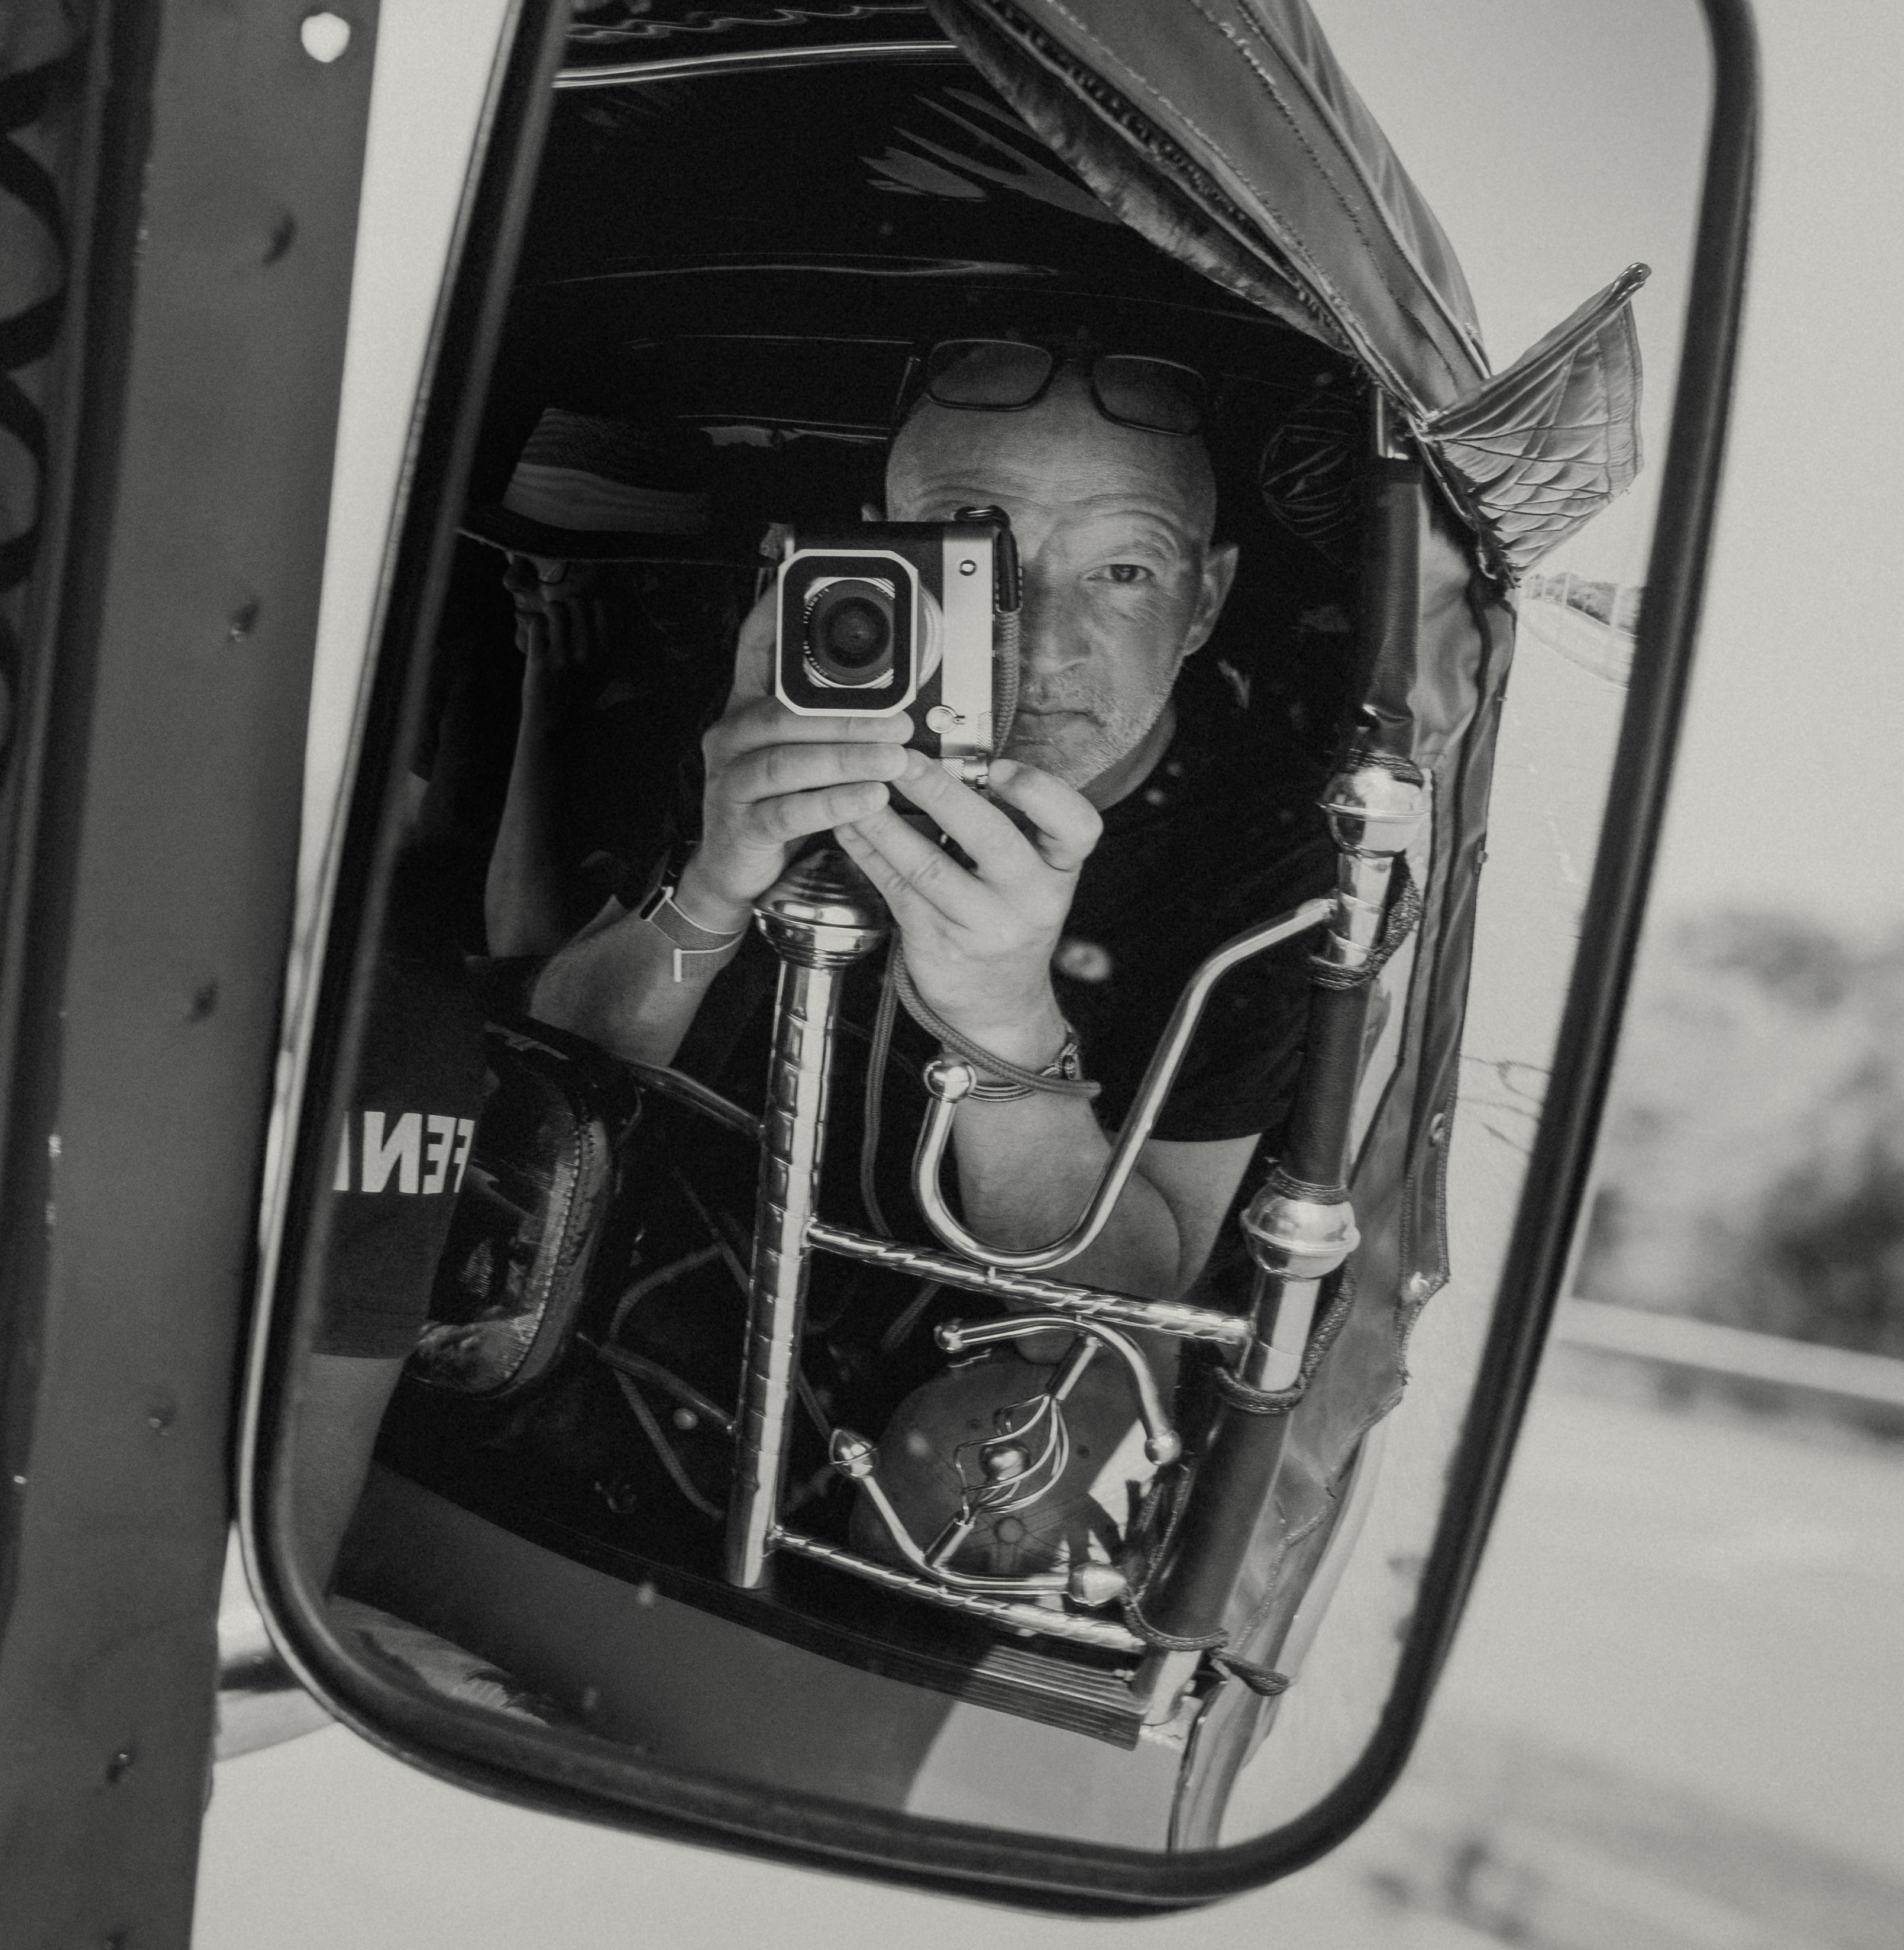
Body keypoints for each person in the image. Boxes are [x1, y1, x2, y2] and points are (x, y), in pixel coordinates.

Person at [520, 336, 1327, 1304]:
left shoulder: (1269, 855)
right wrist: (709, 890)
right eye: (976, 562)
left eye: (1123, 572)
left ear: (1203, 602)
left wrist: (1006, 1022)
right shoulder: (794, 715)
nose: (1040, 643)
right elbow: (547, 1094)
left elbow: (1116, 1318)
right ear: (876, 551)